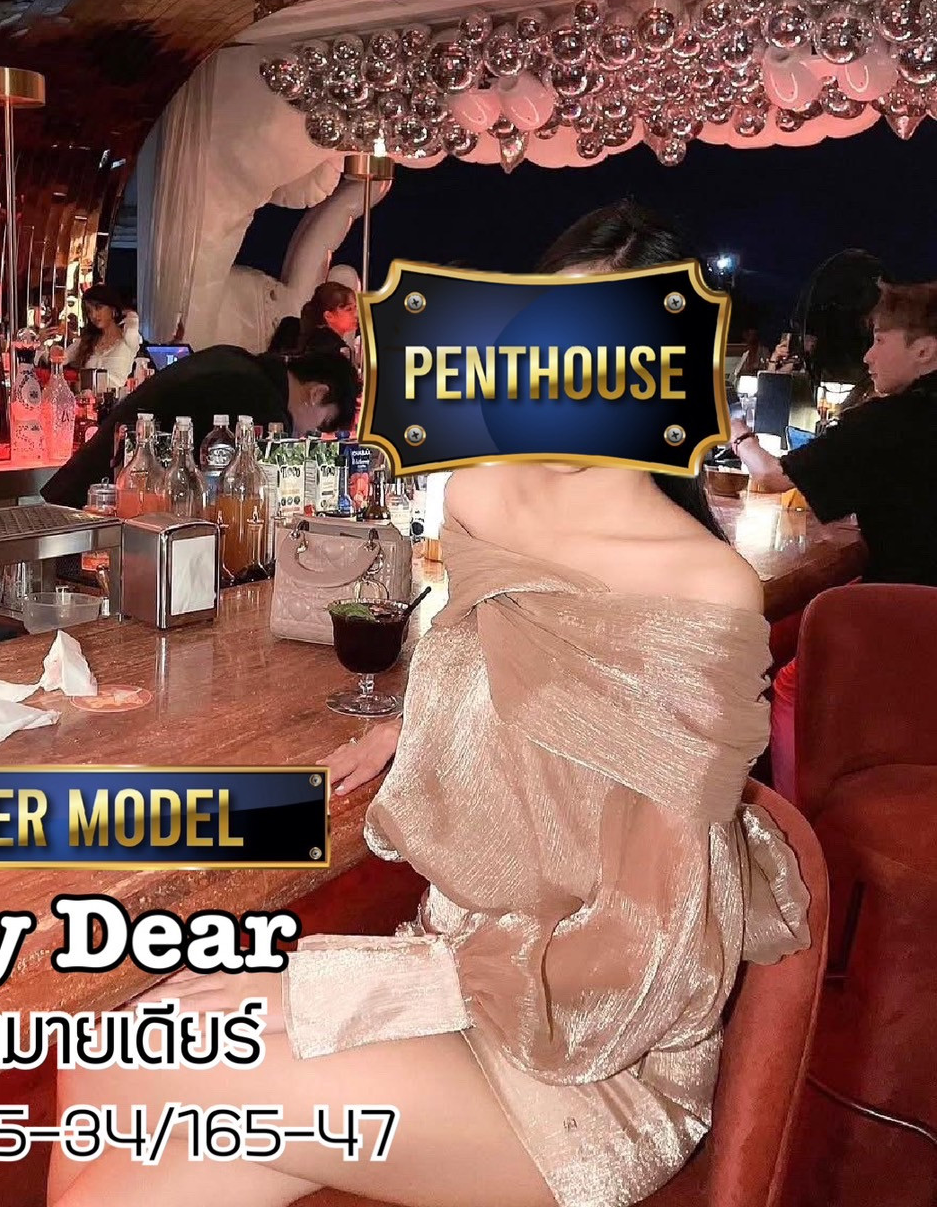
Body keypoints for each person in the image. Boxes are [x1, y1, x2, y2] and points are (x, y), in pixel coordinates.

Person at [47, 201, 810, 1207]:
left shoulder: (700, 587)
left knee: (180, 1073)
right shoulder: (488, 493)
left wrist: (389, 988)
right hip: (461, 957)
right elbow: (504, 655)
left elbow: (652, 952)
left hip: (588, 1048)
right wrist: (423, 724)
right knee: (112, 1052)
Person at [729, 278, 937, 586]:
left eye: (879, 341)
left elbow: (772, 476)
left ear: (924, 350)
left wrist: (736, 432)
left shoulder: (888, 422)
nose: (868, 356)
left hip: (904, 606)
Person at [40, 345, 359, 509]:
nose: (307, 433)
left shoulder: (240, 362)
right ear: (317, 394)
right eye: (322, 423)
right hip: (96, 516)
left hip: (84, 498)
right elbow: (238, 500)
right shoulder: (260, 402)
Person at [64, 283, 141, 392]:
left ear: (112, 308)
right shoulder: (88, 340)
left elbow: (133, 318)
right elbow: (61, 358)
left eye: (98, 308)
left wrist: (121, 312)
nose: (93, 315)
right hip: (86, 399)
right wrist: (43, 344)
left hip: (117, 400)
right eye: (89, 311)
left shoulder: (128, 339)